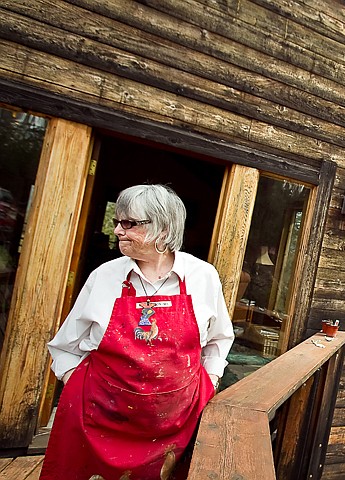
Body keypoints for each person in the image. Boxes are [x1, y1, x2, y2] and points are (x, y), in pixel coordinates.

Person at [40, 184, 234, 480]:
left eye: (129, 223)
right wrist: (79, 385)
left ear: (164, 228)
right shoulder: (104, 276)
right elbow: (64, 346)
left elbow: (219, 340)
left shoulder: (202, 276)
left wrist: (210, 380)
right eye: (117, 222)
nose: (118, 230)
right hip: (101, 421)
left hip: (175, 424)